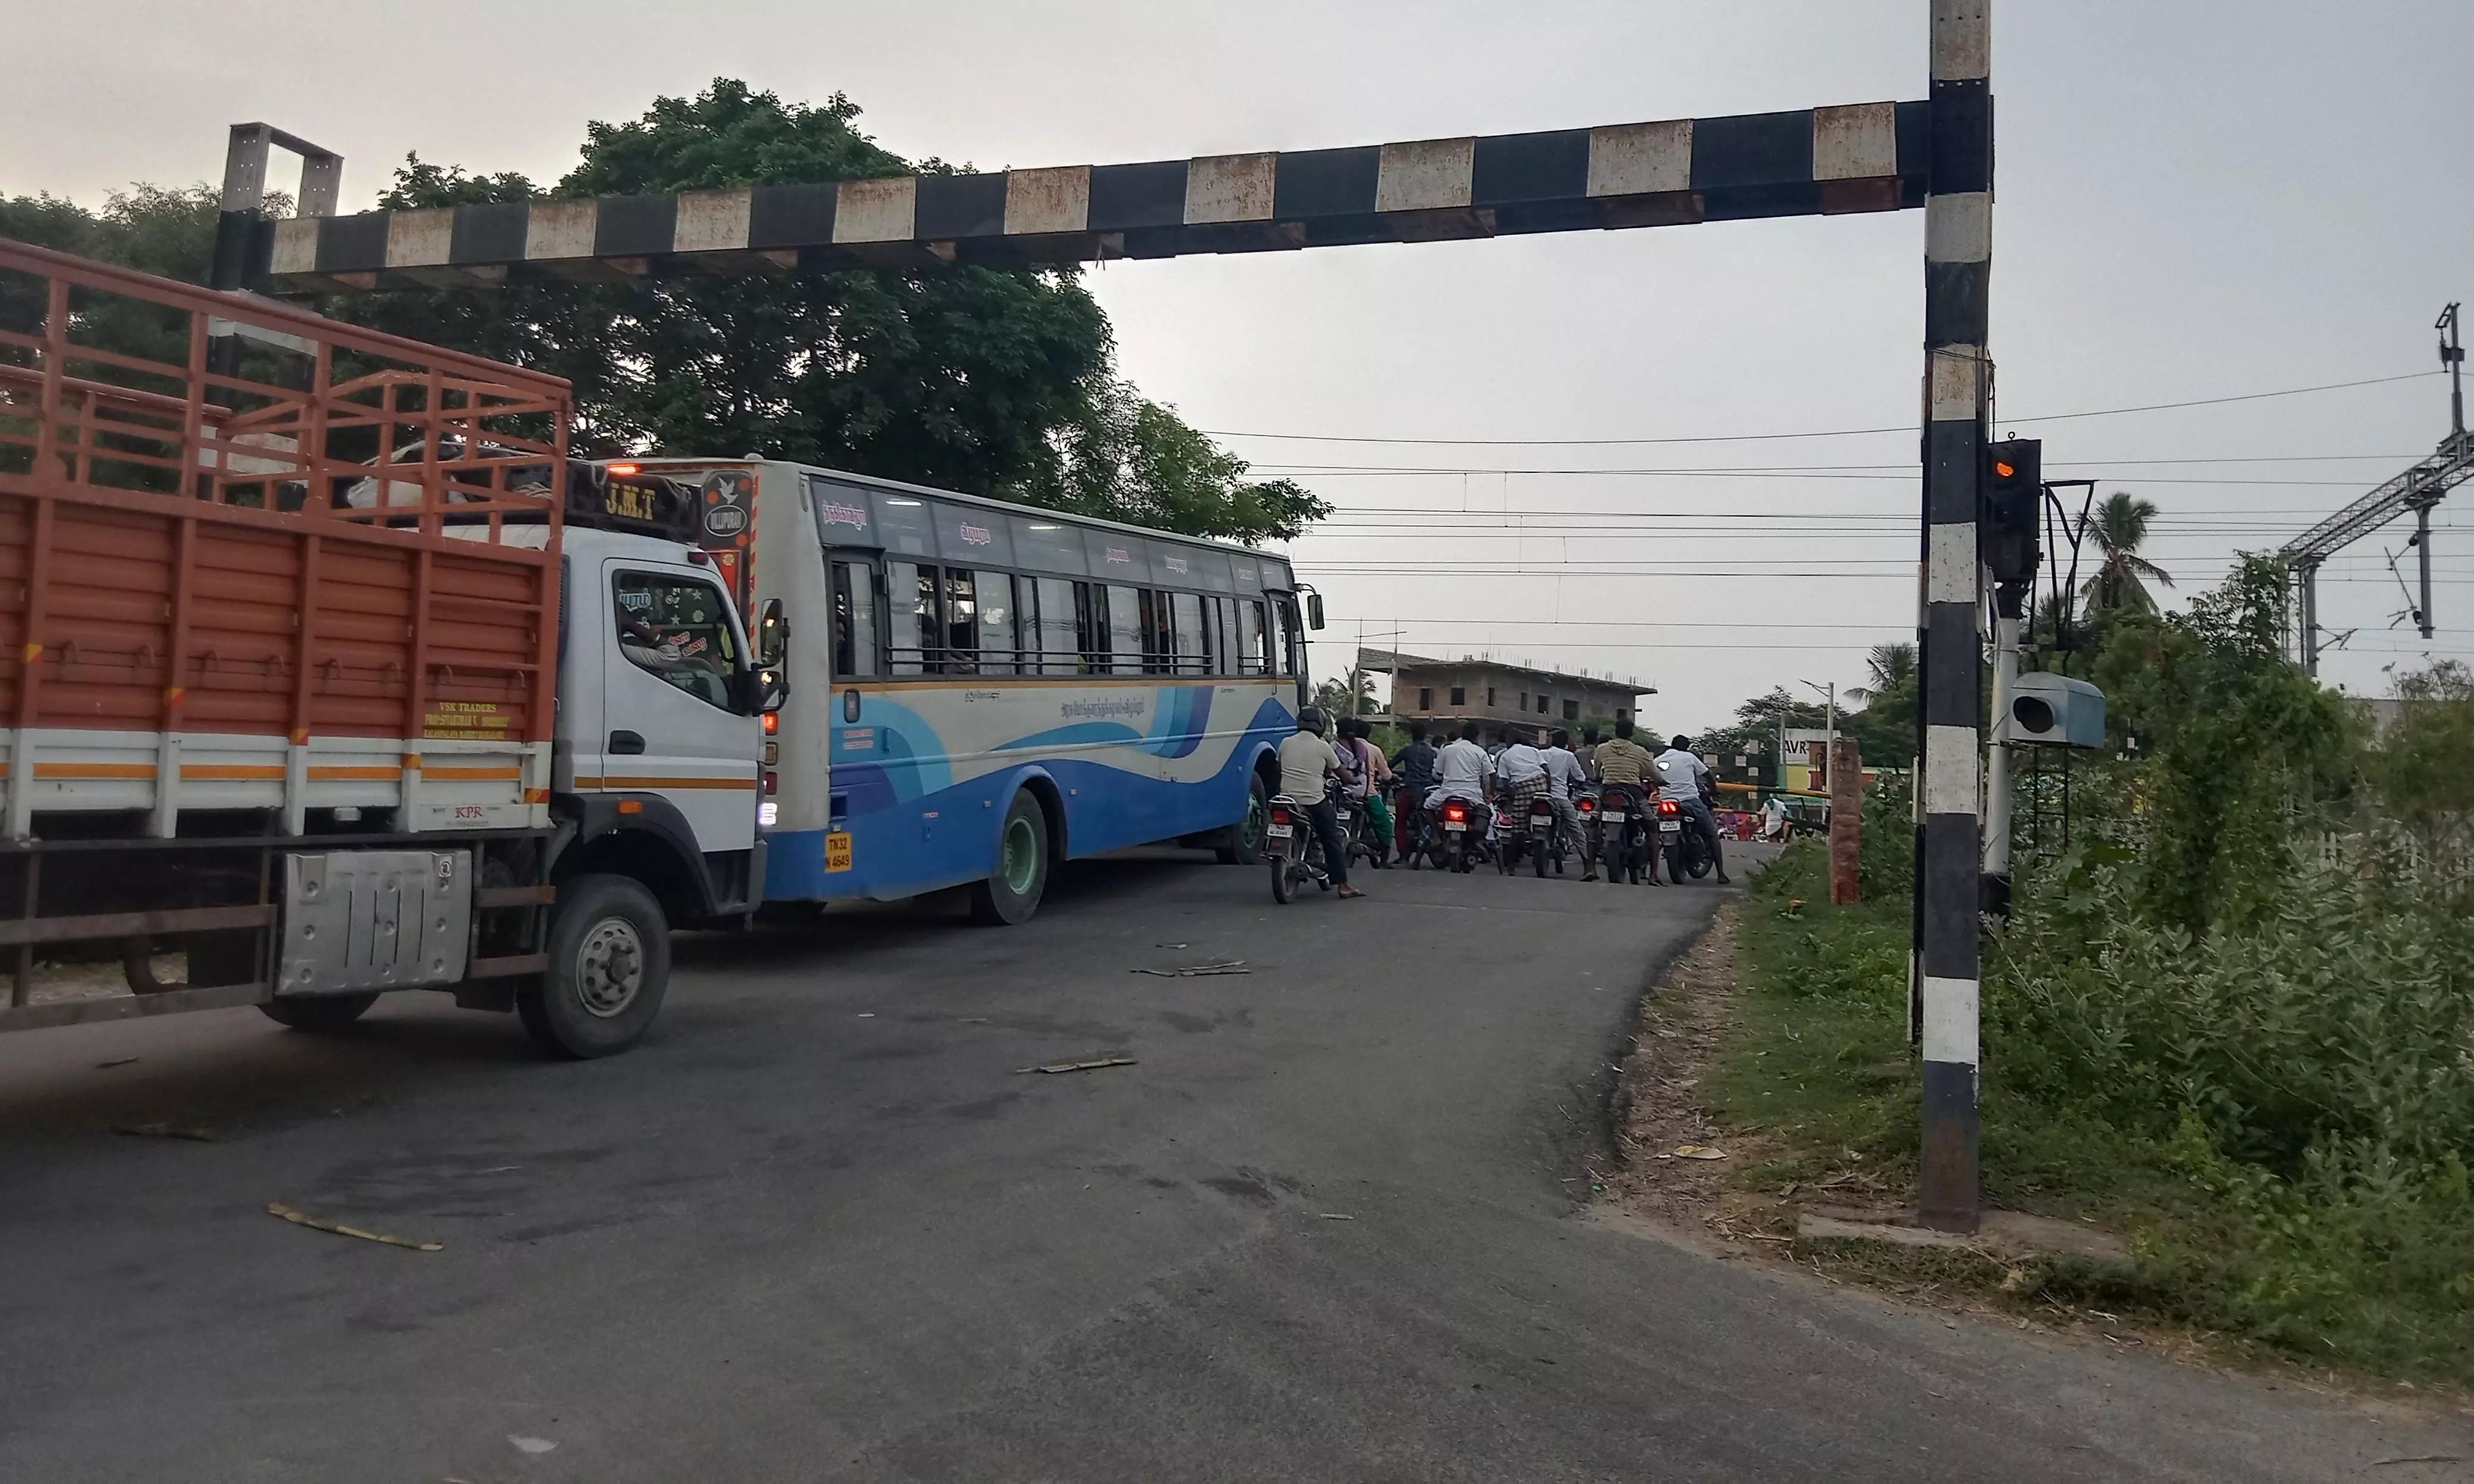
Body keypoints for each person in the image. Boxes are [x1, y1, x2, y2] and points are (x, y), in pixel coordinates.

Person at [1277, 708, 1364, 898]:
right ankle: (1343, 885)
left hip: (1286, 799)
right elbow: (1341, 773)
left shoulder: (1285, 743)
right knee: (1331, 836)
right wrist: (1354, 780)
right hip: (1313, 801)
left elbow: (1279, 765)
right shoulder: (1323, 746)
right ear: (1321, 725)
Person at [1590, 717, 1663, 884]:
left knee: (1593, 824)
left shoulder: (1602, 748)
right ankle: (1653, 875)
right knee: (1652, 828)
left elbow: (1597, 772)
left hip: (1608, 791)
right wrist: (1661, 781)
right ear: (1631, 733)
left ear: (1615, 731)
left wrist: (1599, 777)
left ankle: (1591, 869)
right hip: (1633, 792)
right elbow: (1654, 773)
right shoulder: (1640, 751)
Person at [1656, 734, 1731, 884]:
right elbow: (1708, 776)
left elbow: (1651, 776)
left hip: (1665, 802)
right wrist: (1714, 790)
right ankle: (1721, 874)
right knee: (1712, 833)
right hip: (1689, 800)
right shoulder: (1689, 757)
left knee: (1652, 833)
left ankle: (1644, 869)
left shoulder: (1658, 760)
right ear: (1687, 747)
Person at [1339, 717, 1392, 864]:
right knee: (1385, 824)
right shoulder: (1372, 749)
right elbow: (1387, 775)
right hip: (1366, 793)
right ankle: (1385, 859)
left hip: (1341, 792)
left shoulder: (1338, 746)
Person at [1390, 722, 1440, 857]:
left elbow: (1390, 765)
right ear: (1425, 736)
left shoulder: (1407, 750)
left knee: (1400, 822)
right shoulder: (1432, 753)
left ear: (1412, 735)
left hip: (1409, 791)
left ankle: (1403, 855)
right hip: (1428, 791)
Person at [1542, 728, 1586, 873]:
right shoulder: (1569, 756)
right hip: (1560, 796)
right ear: (1566, 742)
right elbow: (1580, 777)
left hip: (1541, 795)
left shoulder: (1542, 754)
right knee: (1576, 829)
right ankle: (1588, 863)